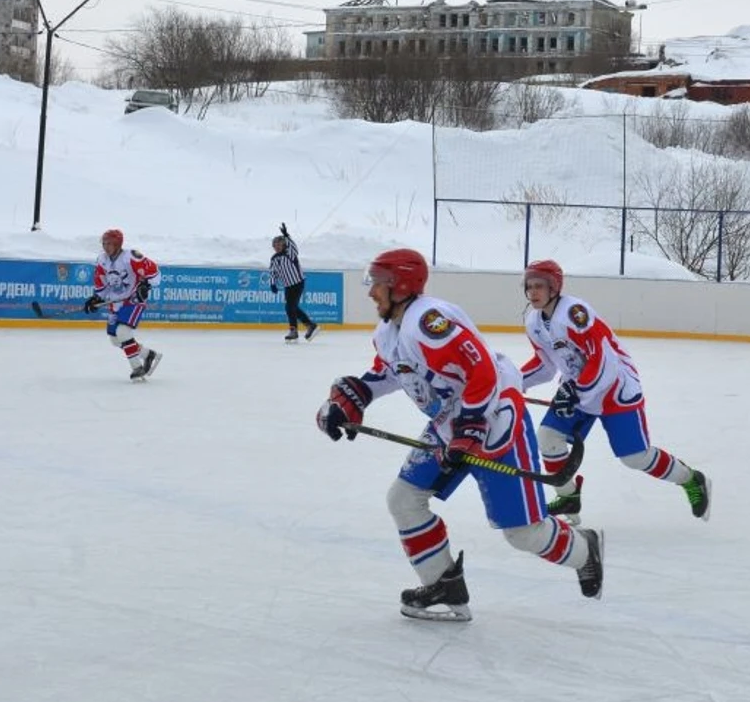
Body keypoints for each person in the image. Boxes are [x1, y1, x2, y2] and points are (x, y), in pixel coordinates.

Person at [315, 248, 603, 621]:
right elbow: (389, 372)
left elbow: (481, 368)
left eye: (379, 284)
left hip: (496, 419)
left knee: (523, 533)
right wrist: (354, 398)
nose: (371, 292)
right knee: (403, 500)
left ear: (400, 285)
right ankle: (444, 583)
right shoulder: (387, 332)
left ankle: (585, 550)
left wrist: (470, 428)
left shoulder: (428, 321)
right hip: (452, 423)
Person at [519, 259, 710, 524]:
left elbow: (603, 361)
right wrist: (513, 383)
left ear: (554, 287)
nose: (533, 292)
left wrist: (575, 390)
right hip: (580, 388)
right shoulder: (534, 322)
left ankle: (691, 479)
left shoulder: (574, 313)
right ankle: (569, 496)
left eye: (539, 286)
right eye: (529, 287)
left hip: (615, 388)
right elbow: (545, 365)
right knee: (548, 438)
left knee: (635, 458)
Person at [84, 228, 162, 380]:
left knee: (123, 332)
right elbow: (101, 282)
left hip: (133, 301)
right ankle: (148, 355)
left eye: (109, 243)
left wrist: (146, 285)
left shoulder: (131, 257)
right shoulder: (102, 260)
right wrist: (96, 298)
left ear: (118, 244)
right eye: (104, 243)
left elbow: (155, 274)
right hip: (116, 303)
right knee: (115, 339)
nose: (106, 246)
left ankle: (137, 369)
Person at [268, 223, 318, 342]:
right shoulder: (274, 258)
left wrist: (287, 235)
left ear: (283, 244)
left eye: (279, 244)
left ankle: (294, 330)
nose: (277, 247)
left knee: (290, 307)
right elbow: (272, 272)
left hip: (298, 283)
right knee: (291, 307)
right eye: (275, 245)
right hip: (288, 286)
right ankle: (310, 325)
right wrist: (272, 283)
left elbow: (294, 247)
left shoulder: (290, 253)